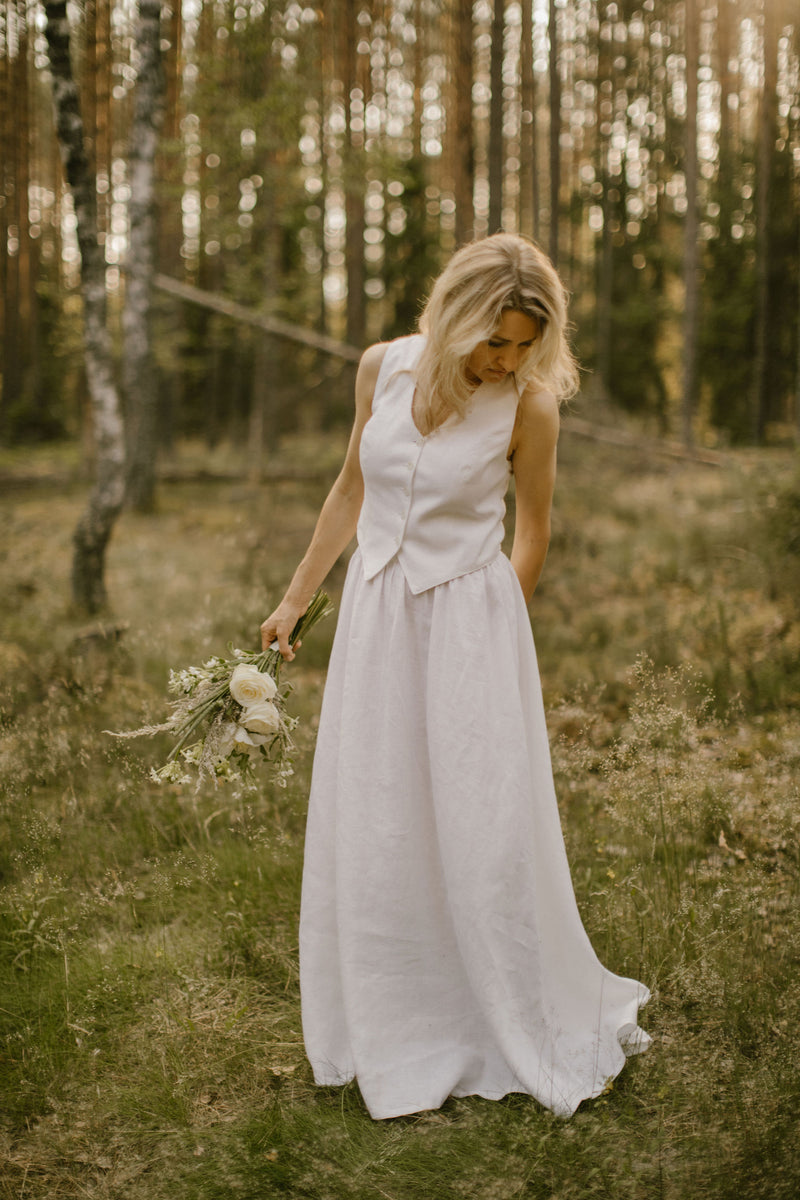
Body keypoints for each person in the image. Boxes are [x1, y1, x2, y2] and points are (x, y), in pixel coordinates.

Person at [260, 232, 651, 1120]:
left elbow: (534, 532)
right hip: (374, 618)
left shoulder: (530, 407)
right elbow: (350, 491)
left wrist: (491, 639)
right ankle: (391, 1008)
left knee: (477, 811)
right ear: (452, 318)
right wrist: (293, 602)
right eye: (494, 340)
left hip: (469, 621)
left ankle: (491, 1003)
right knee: (382, 804)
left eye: (523, 345)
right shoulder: (383, 369)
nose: (506, 359)